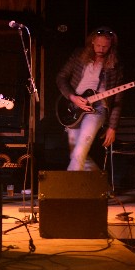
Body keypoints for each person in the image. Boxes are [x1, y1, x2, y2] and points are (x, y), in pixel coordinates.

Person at [55, 26, 124, 171]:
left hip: (97, 108)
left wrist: (112, 127)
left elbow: (118, 99)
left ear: (111, 46)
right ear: (92, 42)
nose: (100, 49)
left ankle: (68, 187)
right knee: (76, 152)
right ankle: (98, 185)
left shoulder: (115, 65)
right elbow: (61, 78)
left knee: (80, 150)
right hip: (74, 107)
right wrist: (72, 97)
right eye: (98, 45)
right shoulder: (79, 55)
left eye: (105, 46)